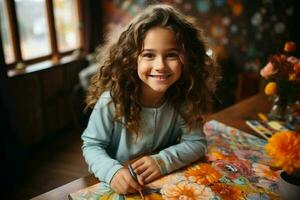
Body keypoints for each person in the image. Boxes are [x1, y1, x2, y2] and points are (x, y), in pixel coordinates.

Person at [81, 4, 220, 195]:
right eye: (148, 55)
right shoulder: (112, 101)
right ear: (131, 59)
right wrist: (111, 172)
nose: (160, 65)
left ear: (188, 59)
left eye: (171, 55)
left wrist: (163, 161)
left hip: (161, 184)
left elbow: (196, 142)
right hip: (118, 186)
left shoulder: (184, 99)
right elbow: (92, 146)